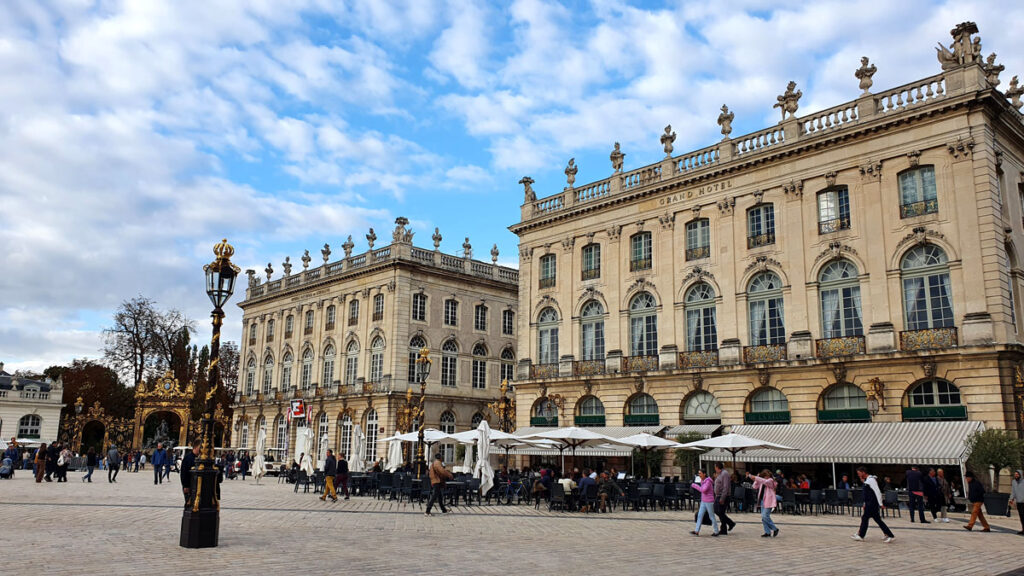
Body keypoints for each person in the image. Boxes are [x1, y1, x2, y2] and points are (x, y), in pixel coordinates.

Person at [851, 466, 895, 543]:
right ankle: (888, 534)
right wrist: (865, 503)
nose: (858, 475)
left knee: (865, 518)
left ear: (863, 472)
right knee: (877, 520)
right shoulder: (867, 480)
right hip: (869, 503)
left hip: (872, 504)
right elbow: (866, 494)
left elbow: (877, 492)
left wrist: (881, 503)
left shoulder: (871, 480)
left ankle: (861, 535)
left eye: (859, 473)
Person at [748, 469, 779, 537]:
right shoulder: (762, 480)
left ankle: (775, 528)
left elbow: (765, 481)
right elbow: (754, 486)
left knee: (765, 516)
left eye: (767, 476)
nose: (766, 477)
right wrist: (757, 479)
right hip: (762, 501)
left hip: (769, 501)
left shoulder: (770, 480)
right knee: (763, 517)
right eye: (765, 476)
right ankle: (767, 532)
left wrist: (756, 477)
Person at [691, 469, 719, 536]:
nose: (699, 475)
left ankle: (716, 531)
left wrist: (695, 486)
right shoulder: (702, 481)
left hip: (709, 501)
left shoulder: (708, 481)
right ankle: (696, 531)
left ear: (704, 474)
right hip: (703, 501)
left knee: (711, 516)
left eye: (700, 473)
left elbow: (703, 490)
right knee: (700, 515)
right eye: (699, 473)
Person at [714, 462, 736, 535]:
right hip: (718, 495)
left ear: (717, 467)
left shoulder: (724, 474)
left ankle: (725, 528)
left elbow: (725, 487)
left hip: (723, 496)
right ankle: (729, 523)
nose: (715, 469)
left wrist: (722, 498)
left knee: (720, 512)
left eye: (715, 467)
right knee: (717, 511)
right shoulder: (719, 474)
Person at [1009, 470, 1024, 535]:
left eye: (1017, 474)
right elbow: (1013, 492)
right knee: (1021, 516)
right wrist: (1011, 499)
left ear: (1020, 475)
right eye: (1015, 474)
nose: (1016, 476)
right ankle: (1023, 529)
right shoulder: (1014, 482)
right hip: (1019, 502)